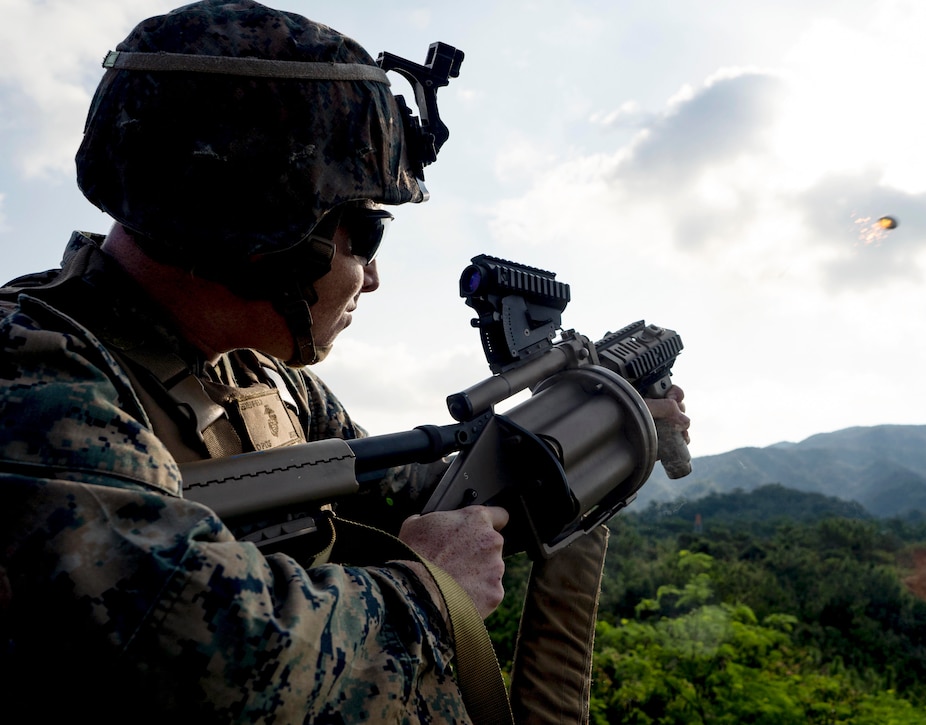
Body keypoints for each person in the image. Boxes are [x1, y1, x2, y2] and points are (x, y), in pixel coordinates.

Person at [0, 1, 689, 723]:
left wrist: (598, 426)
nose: (374, 277)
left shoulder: (263, 380)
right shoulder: (33, 383)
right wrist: (428, 591)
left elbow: (424, 494)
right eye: (366, 234)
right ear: (265, 223)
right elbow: (197, 648)